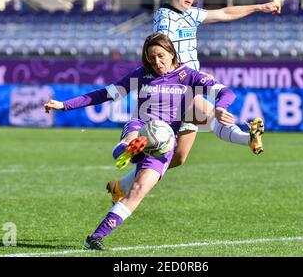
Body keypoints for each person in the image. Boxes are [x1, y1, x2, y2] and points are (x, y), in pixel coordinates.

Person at [44, 33, 238, 250]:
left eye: (161, 56)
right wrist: (64, 105)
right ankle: (126, 149)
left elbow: (225, 92)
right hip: (140, 125)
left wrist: (220, 108)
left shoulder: (188, 75)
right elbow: (104, 94)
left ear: (172, 53)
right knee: (134, 136)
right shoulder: (141, 75)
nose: (156, 62)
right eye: (151, 57)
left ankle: (94, 238)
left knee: (138, 190)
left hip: (164, 144)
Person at [107, 0, 274, 204]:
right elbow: (163, 54)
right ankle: (247, 138)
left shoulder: (191, 15)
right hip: (173, 89)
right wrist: (190, 71)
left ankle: (120, 186)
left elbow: (225, 12)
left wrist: (259, 7)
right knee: (211, 114)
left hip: (188, 86)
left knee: (177, 158)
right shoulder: (165, 18)